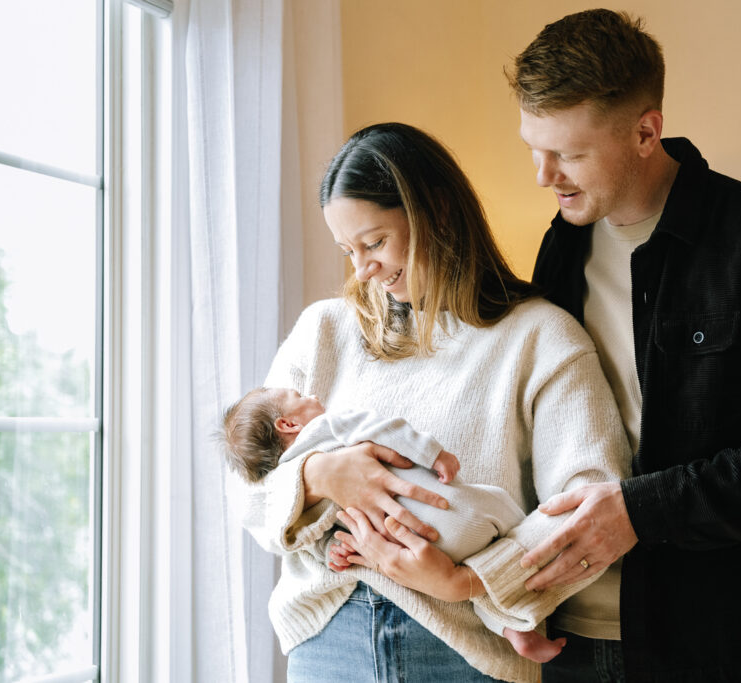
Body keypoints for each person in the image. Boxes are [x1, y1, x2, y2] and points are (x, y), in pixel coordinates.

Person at [505, 9, 741, 682]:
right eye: (534, 146)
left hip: (718, 644)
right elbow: (538, 426)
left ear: (646, 131)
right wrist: (517, 594)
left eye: (570, 153)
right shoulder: (561, 246)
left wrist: (642, 511)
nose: (543, 175)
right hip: (572, 638)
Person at [234, 122, 632, 683]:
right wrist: (320, 475)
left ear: (437, 212)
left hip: (464, 653)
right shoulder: (322, 332)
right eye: (348, 250)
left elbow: (589, 510)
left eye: (374, 242)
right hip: (326, 642)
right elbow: (247, 490)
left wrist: (465, 582)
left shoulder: (542, 338)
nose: (362, 269)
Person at [219, 385, 567, 662]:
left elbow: (326, 534)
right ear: (288, 424)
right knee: (502, 521)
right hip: (456, 513)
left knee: (470, 591)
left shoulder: (290, 492)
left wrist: (336, 554)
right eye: (299, 396)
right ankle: (516, 617)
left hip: (410, 549)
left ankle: (512, 628)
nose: (313, 394)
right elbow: (387, 430)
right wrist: (433, 454)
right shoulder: (329, 426)